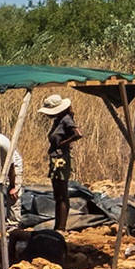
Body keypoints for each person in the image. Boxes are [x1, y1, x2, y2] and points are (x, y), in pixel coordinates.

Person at [40, 93, 80, 232]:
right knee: (58, 194)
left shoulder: (66, 119)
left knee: (61, 193)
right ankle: (58, 226)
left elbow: (77, 134)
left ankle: (61, 228)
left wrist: (64, 143)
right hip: (56, 158)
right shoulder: (59, 120)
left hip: (61, 159)